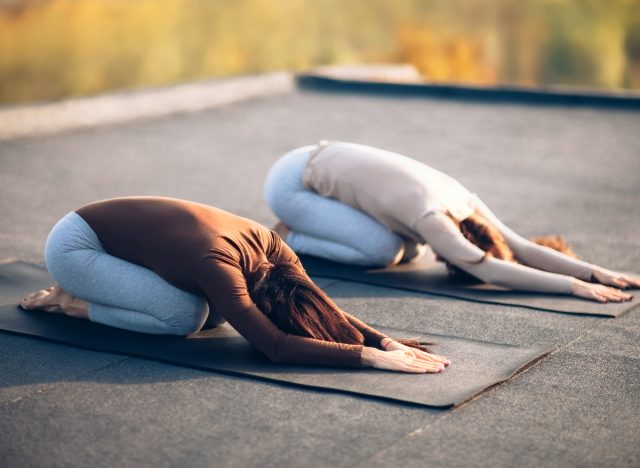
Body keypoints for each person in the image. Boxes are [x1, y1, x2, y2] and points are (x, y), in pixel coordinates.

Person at [19, 196, 449, 374]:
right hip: (77, 247)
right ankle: (70, 301)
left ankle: (93, 292)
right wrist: (368, 358)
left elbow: (321, 304)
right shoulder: (218, 266)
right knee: (184, 318)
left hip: (128, 241)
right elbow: (274, 347)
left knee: (217, 316)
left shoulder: (278, 251)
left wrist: (387, 341)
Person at [264, 141, 639, 303]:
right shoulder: (434, 220)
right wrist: (573, 286)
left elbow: (521, 248)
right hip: (293, 183)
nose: (445, 259)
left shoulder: (468, 203)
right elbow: (493, 270)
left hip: (320, 158)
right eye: (454, 260)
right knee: (383, 250)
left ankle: (316, 221)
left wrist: (596, 272)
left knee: (407, 248)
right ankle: (290, 233)